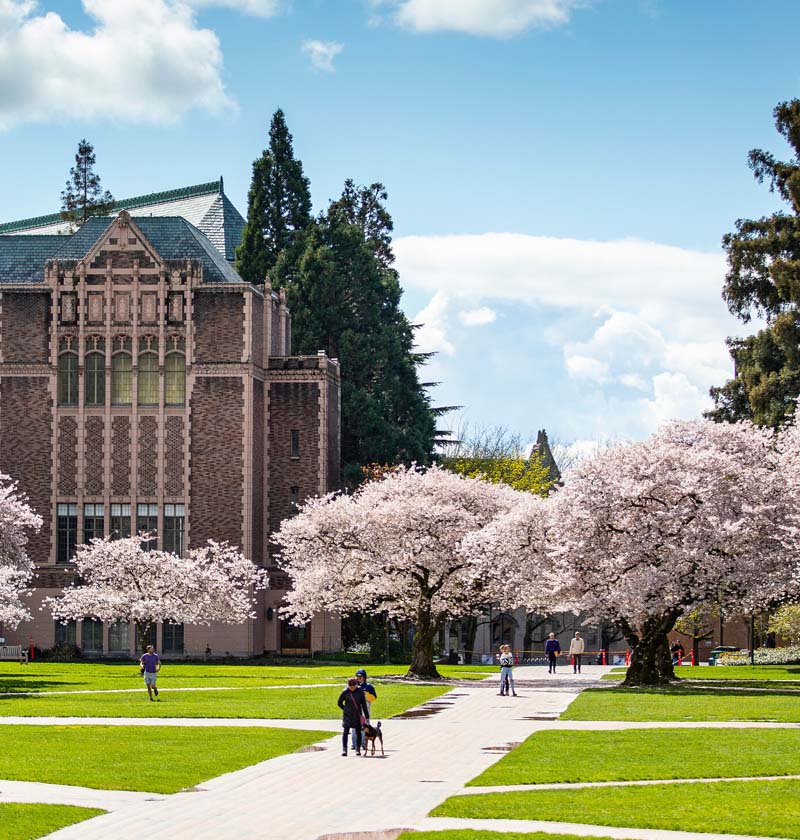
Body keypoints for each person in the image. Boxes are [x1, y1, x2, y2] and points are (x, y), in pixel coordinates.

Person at [337, 677, 369, 756]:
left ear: (356, 685)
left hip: (357, 715)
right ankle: (344, 750)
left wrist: (367, 716)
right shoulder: (345, 692)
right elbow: (339, 703)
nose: (352, 688)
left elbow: (364, 705)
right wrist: (345, 709)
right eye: (350, 686)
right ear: (348, 685)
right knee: (345, 732)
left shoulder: (360, 692)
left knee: (358, 732)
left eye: (354, 686)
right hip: (347, 715)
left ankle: (357, 749)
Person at [351, 668, 378, 751]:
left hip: (365, 709)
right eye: (357, 676)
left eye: (360, 676)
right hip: (355, 709)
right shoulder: (354, 685)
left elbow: (373, 698)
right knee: (354, 727)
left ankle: (363, 743)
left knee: (364, 727)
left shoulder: (369, 687)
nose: (359, 678)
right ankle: (354, 744)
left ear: (364, 677)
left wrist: (365, 694)